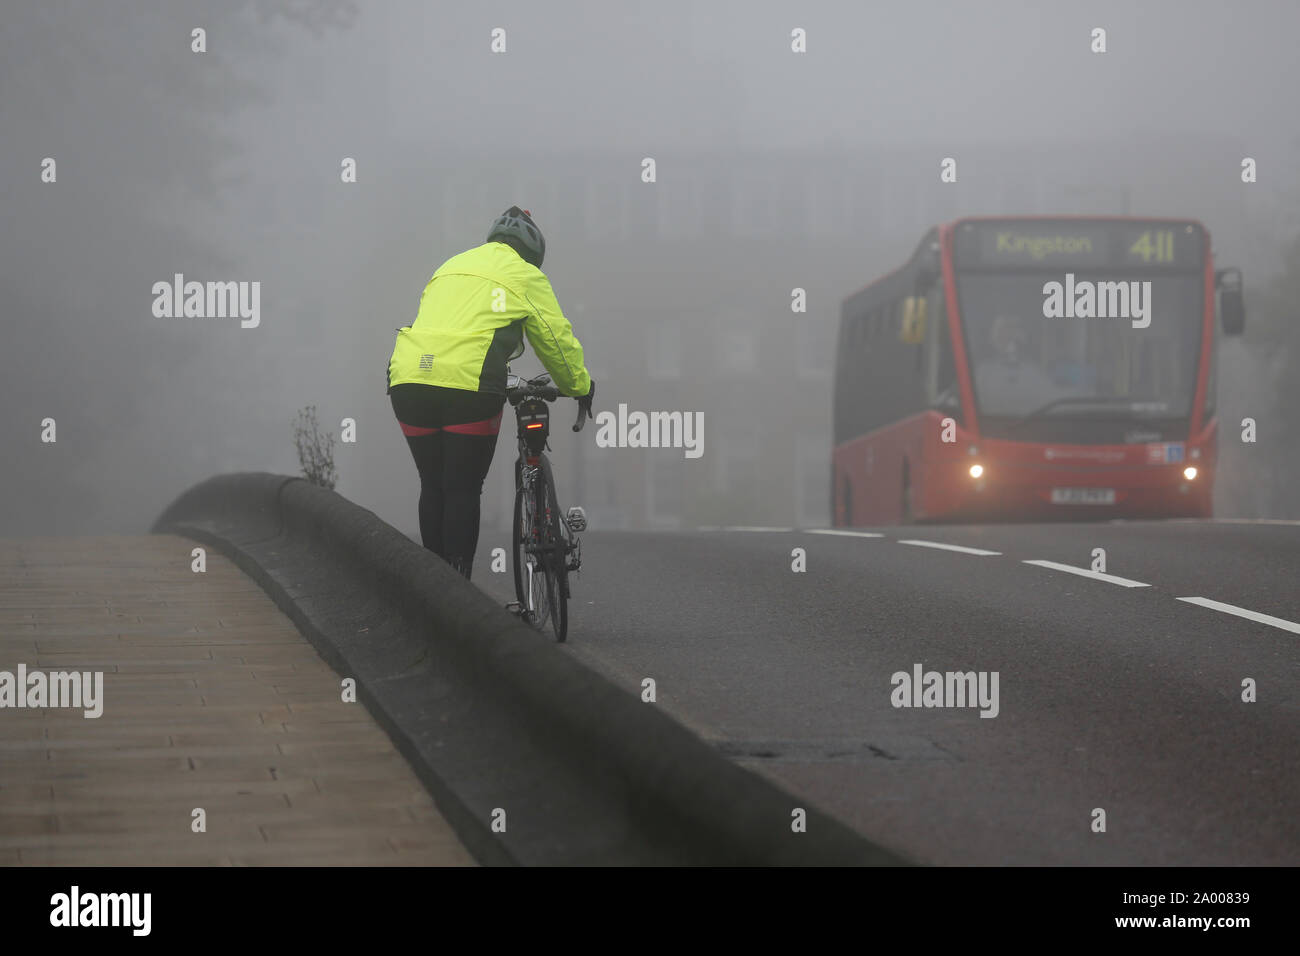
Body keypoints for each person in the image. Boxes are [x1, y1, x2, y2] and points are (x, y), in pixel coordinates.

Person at [387, 206, 595, 580]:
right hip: (470, 384)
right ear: (533, 253)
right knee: (463, 488)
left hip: (408, 378)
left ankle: (430, 592)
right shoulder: (525, 275)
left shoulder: (449, 266)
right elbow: (554, 338)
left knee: (433, 485)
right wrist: (578, 386)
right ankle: (457, 589)